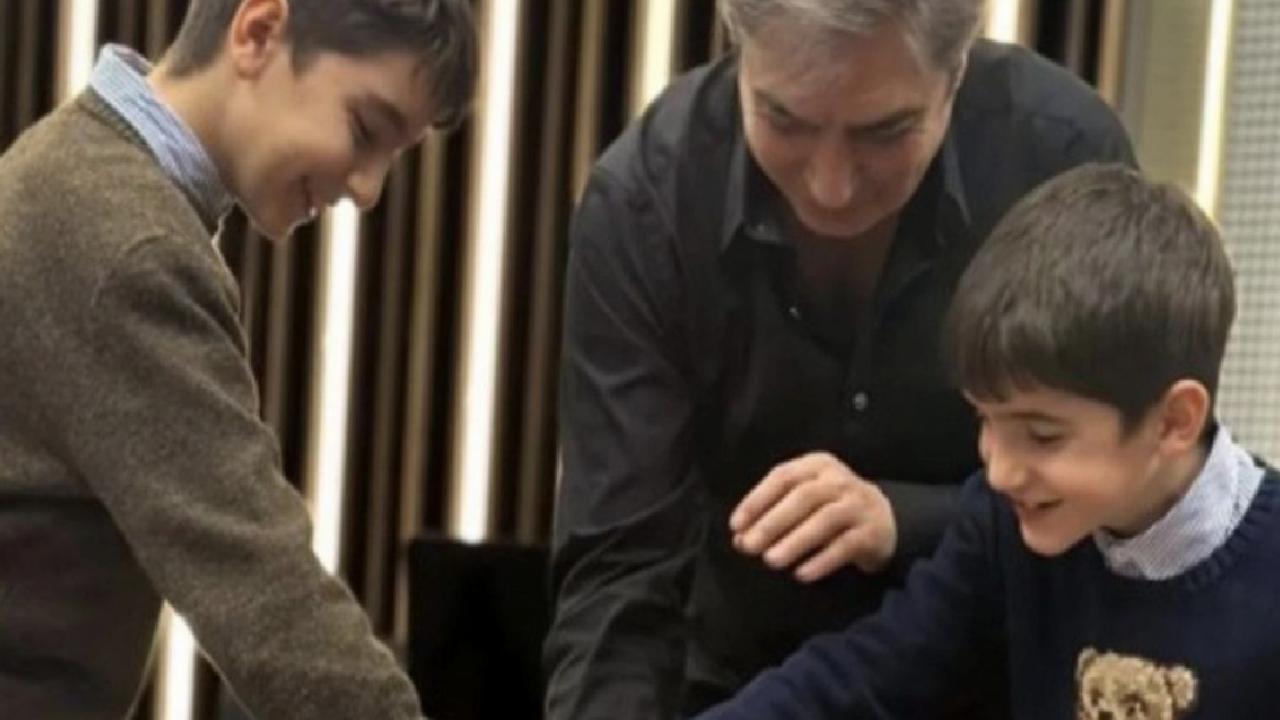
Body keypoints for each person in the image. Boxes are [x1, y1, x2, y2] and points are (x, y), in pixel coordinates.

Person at [545, 0, 1135, 717]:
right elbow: (622, 570)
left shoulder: (1060, 162)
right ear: (738, 50)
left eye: (884, 133)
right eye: (785, 121)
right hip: (740, 686)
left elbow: (1120, 498)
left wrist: (907, 520)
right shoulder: (648, 203)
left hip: (999, 683)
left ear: (955, 72)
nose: (831, 186)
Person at [0, 1, 474, 718]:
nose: (368, 189)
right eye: (364, 129)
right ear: (258, 32)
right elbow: (264, 595)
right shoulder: (129, 247)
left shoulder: (73, 169)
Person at [696, 162, 1280, 719]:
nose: (999, 470)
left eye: (1041, 436)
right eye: (984, 419)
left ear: (1174, 421)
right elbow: (864, 677)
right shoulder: (1004, 529)